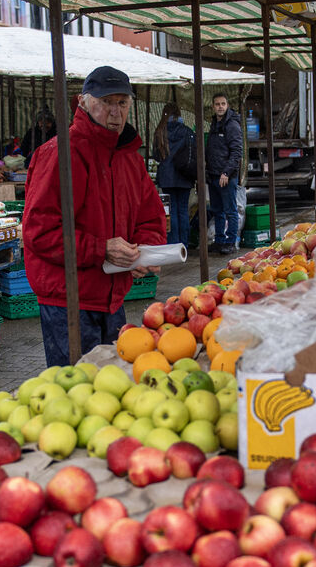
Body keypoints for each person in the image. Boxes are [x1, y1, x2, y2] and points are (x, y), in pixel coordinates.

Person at [23, 65, 167, 367]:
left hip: (112, 298)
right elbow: (39, 231)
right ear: (83, 102)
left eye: (122, 103)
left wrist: (144, 251)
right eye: (106, 102)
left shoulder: (130, 158)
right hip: (68, 301)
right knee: (75, 393)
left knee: (113, 389)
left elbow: (151, 218)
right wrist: (101, 249)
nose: (115, 112)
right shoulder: (60, 153)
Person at [206, 93, 242, 255]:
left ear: (227, 105)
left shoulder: (232, 125)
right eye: (217, 104)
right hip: (213, 175)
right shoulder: (215, 124)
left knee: (230, 210)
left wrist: (226, 172)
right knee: (217, 210)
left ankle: (231, 242)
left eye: (223, 104)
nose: (220, 107)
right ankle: (219, 240)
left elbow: (236, 152)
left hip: (226, 176)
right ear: (213, 107)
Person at [153, 102, 194, 247]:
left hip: (166, 178)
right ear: (179, 114)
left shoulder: (160, 131)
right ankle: (184, 243)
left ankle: (173, 243)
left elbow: (156, 156)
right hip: (184, 176)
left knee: (171, 211)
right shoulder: (187, 131)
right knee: (183, 209)